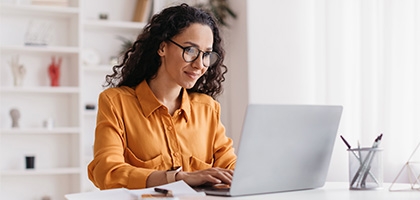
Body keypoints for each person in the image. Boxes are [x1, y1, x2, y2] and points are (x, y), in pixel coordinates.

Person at [87, 3, 236, 190]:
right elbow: (107, 172)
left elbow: (230, 168)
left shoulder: (207, 108)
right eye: (190, 50)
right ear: (162, 47)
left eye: (206, 54)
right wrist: (179, 178)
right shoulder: (116, 102)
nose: (200, 64)